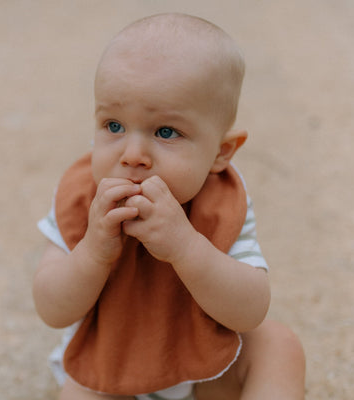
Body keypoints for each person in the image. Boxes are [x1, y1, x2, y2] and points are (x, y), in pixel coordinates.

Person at [33, 13, 305, 400]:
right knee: (80, 390)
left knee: (278, 345)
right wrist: (93, 252)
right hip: (108, 363)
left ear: (220, 153)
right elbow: (51, 309)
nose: (133, 154)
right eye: (113, 125)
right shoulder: (81, 198)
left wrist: (185, 246)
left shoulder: (220, 202)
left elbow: (250, 311)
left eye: (166, 132)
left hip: (205, 362)